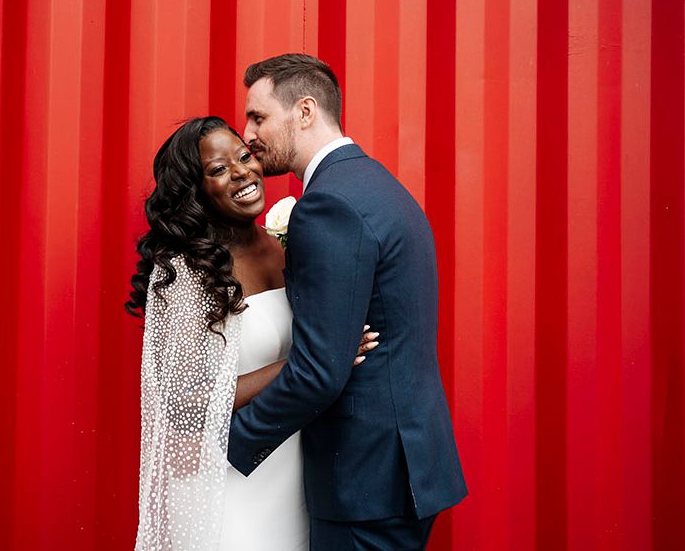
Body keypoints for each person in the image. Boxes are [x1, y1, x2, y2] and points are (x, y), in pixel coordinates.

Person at [228, 54, 467, 549]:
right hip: (402, 464)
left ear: (306, 111)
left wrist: (228, 443)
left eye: (259, 116)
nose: (247, 132)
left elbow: (319, 369)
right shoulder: (378, 185)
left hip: (364, 479)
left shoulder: (329, 204)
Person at [126, 116, 378, 550]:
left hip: (296, 470)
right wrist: (302, 367)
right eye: (219, 169)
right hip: (229, 487)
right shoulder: (186, 271)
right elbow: (184, 400)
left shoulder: (283, 244)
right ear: (195, 191)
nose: (243, 172)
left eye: (244, 156)